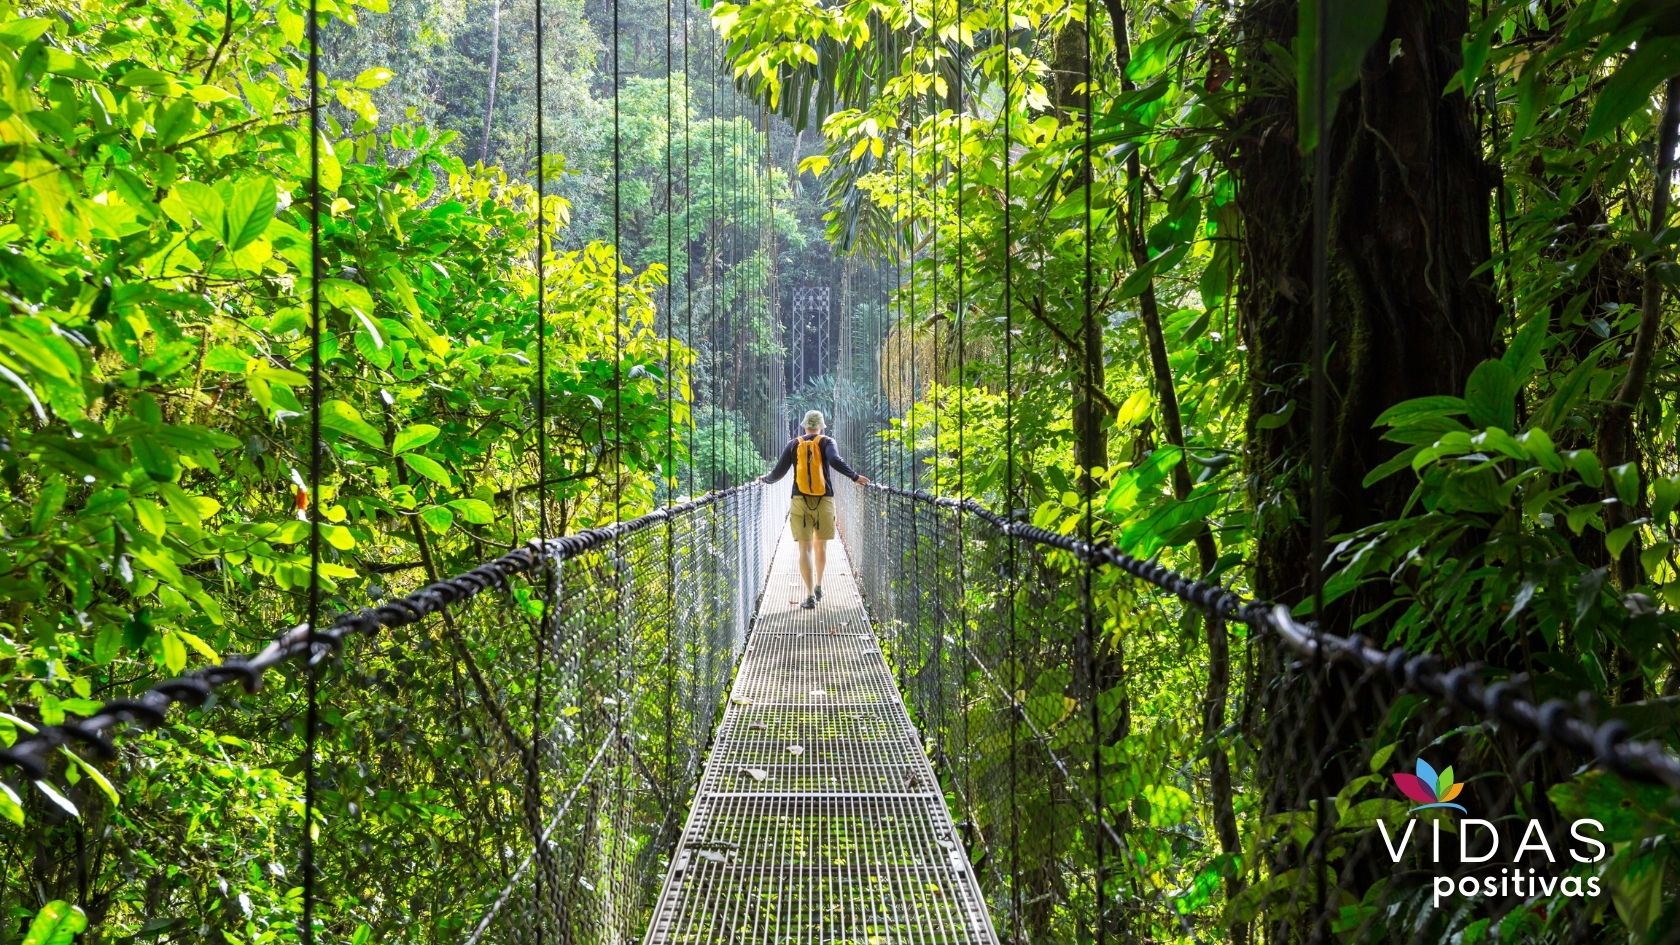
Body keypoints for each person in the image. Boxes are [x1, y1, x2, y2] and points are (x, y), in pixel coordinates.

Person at [759, 410, 869, 609]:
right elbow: (835, 461)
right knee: (821, 546)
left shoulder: (794, 444)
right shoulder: (827, 441)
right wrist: (854, 476)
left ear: (804, 426)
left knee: (804, 548)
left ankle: (809, 595)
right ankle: (819, 586)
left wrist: (765, 480)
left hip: (799, 500)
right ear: (821, 426)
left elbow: (779, 472)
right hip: (824, 500)